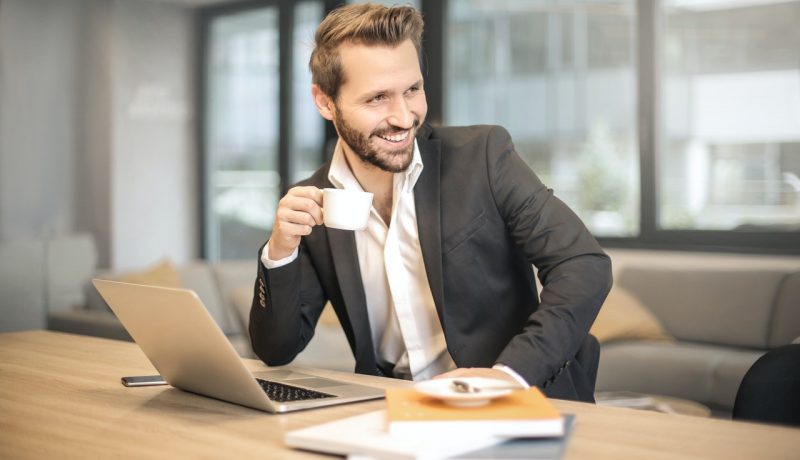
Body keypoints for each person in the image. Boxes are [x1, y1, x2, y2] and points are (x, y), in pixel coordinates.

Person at [249, 3, 612, 402]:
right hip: (393, 408)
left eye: (412, 90)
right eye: (377, 99)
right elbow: (276, 349)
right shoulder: (315, 202)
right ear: (325, 102)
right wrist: (280, 251)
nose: (404, 116)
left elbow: (583, 265)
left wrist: (509, 374)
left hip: (513, 400)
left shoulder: (483, 157)